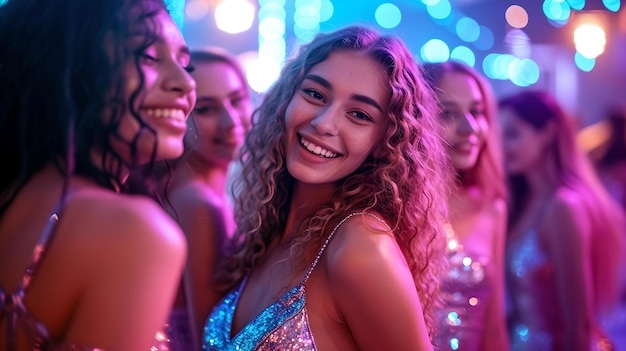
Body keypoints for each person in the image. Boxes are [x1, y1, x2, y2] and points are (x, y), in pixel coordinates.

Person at [202, 25, 449, 350]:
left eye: (359, 115)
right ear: (286, 99)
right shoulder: (268, 232)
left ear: (383, 143)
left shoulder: (361, 248)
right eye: (315, 94)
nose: (324, 123)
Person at [0, 0, 196, 350]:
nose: (185, 84)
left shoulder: (19, 195)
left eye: (186, 63)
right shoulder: (135, 231)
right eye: (149, 56)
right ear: (67, 63)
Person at [499, 90, 626, 350]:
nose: (501, 146)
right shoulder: (522, 201)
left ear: (547, 132)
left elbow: (578, 325)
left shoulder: (563, 206)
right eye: (498, 136)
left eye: (512, 134)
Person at [165, 48, 253, 351]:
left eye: (237, 100)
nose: (231, 121)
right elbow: (212, 340)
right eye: (206, 109)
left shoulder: (180, 191)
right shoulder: (200, 205)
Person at [422, 61, 509, 351]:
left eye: (476, 112)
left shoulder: (491, 207)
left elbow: (493, 329)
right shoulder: (390, 209)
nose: (469, 128)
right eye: (447, 113)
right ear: (415, 118)